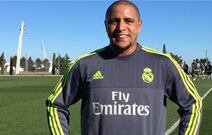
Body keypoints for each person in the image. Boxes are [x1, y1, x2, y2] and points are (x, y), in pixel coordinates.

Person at [46, 1, 202, 135]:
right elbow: (55, 104)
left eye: (128, 21)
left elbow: (193, 103)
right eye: (114, 21)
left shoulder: (163, 63)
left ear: (139, 25)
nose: (121, 27)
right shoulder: (85, 64)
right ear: (106, 25)